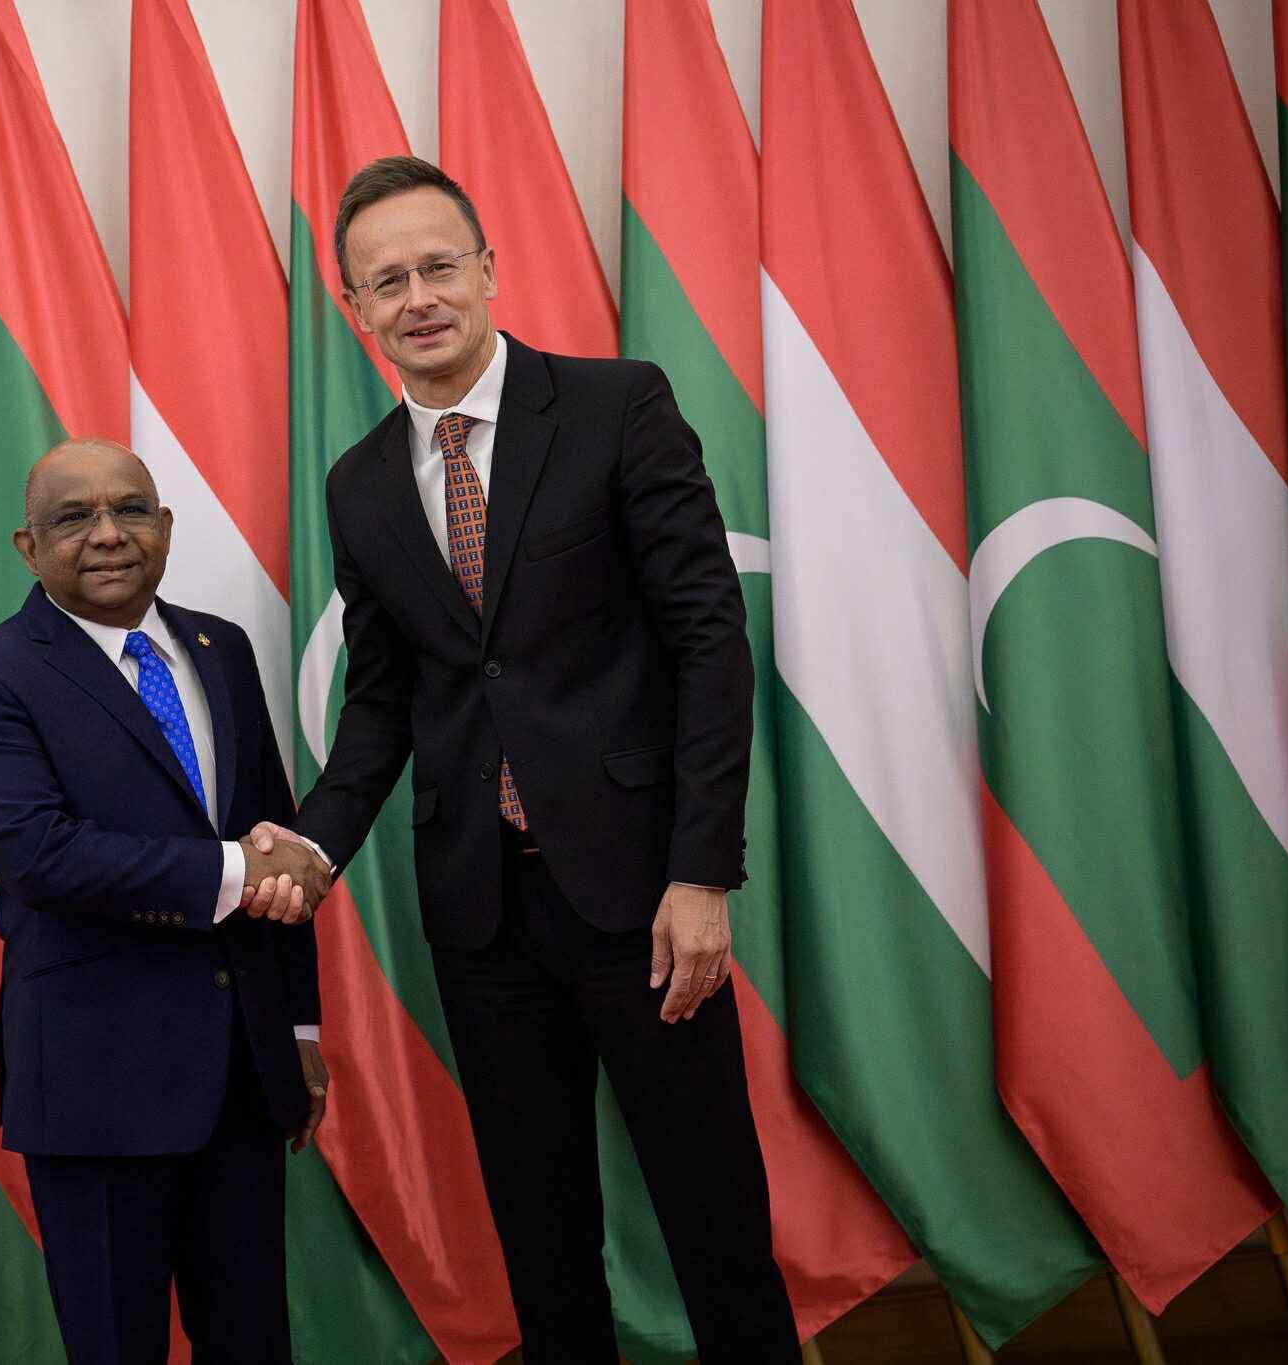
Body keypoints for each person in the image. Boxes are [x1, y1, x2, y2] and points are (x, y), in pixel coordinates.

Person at [256, 156, 799, 1362]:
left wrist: (699, 871)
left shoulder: (615, 406)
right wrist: (313, 841)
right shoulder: (358, 485)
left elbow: (707, 643)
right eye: (385, 281)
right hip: (481, 914)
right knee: (538, 1234)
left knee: (711, 1215)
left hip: (643, 897)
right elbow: (382, 703)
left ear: (487, 269)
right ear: (354, 308)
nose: (418, 297)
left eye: (437, 265)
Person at [0, 437, 330, 1365]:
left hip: (242, 1075)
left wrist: (298, 1027)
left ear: (166, 527)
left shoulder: (221, 648)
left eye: (130, 509)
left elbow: (272, 839)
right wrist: (233, 870)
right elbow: (41, 855)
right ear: (28, 547)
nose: (108, 534)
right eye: (74, 517)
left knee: (254, 1343)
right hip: (97, 1082)